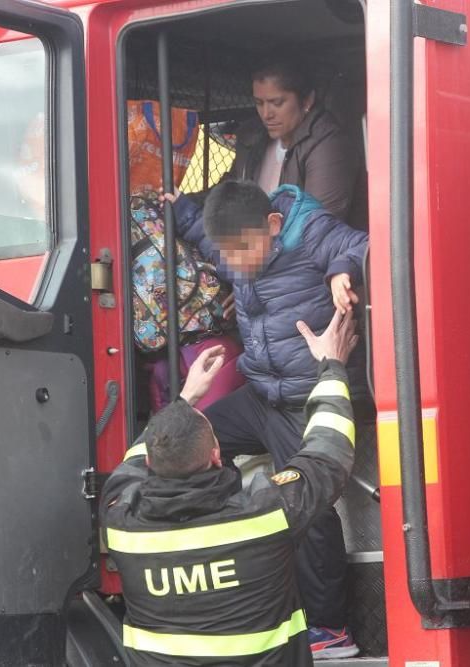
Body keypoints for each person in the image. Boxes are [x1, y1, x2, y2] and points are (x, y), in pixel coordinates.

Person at [167, 179, 370, 658]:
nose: (234, 263)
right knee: (192, 442)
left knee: (310, 505)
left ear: (273, 226)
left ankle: (330, 628)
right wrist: (181, 211)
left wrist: (341, 272)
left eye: (242, 250)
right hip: (260, 393)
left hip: (305, 399)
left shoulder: (309, 232)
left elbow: (365, 243)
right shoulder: (239, 245)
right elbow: (204, 235)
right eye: (227, 252)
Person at [102, 308, 360, 665]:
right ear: (216, 454)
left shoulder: (120, 517)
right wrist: (331, 366)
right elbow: (328, 452)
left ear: (150, 465)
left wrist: (184, 400)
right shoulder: (266, 513)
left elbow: (132, 461)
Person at [227, 57, 367, 229]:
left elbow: (315, 229)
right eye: (259, 103)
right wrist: (185, 207)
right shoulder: (254, 140)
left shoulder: (328, 145)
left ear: (307, 101)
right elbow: (225, 196)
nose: (266, 114)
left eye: (277, 103)